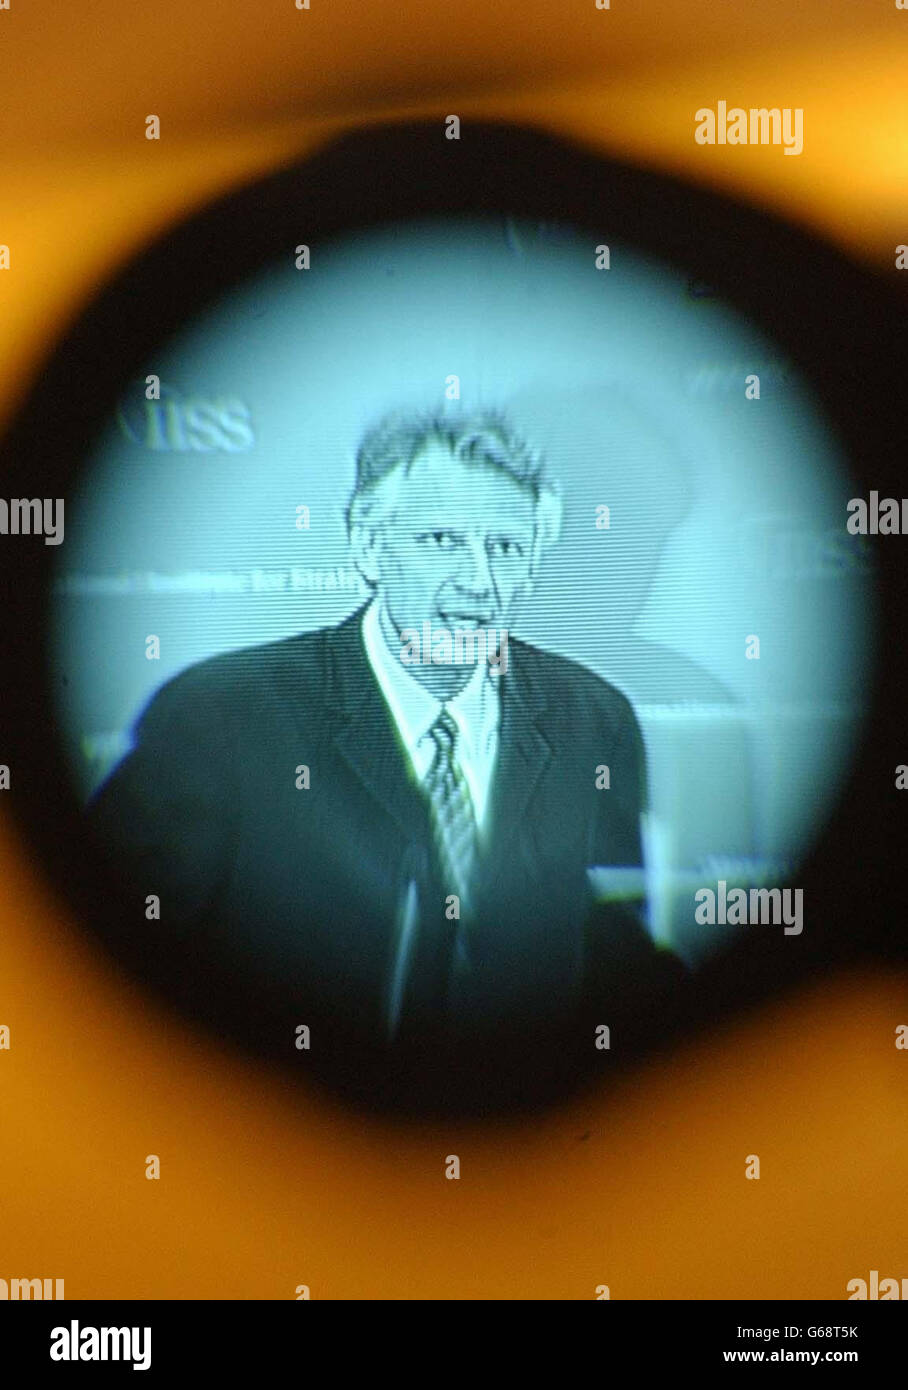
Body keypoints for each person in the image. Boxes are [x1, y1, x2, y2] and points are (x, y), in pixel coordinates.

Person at [89, 408, 687, 1113]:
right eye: (441, 541)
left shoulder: (594, 720)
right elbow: (109, 972)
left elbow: (610, 953)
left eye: (506, 548)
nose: (478, 582)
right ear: (369, 547)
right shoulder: (222, 715)